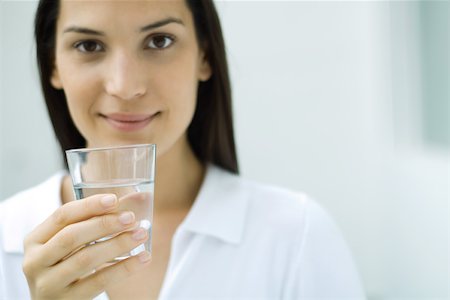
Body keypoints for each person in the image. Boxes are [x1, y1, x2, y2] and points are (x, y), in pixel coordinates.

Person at [0, 0, 366, 299]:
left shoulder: (297, 236)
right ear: (53, 65)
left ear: (204, 56)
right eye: (88, 45)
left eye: (159, 41)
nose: (125, 86)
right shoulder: (6, 239)